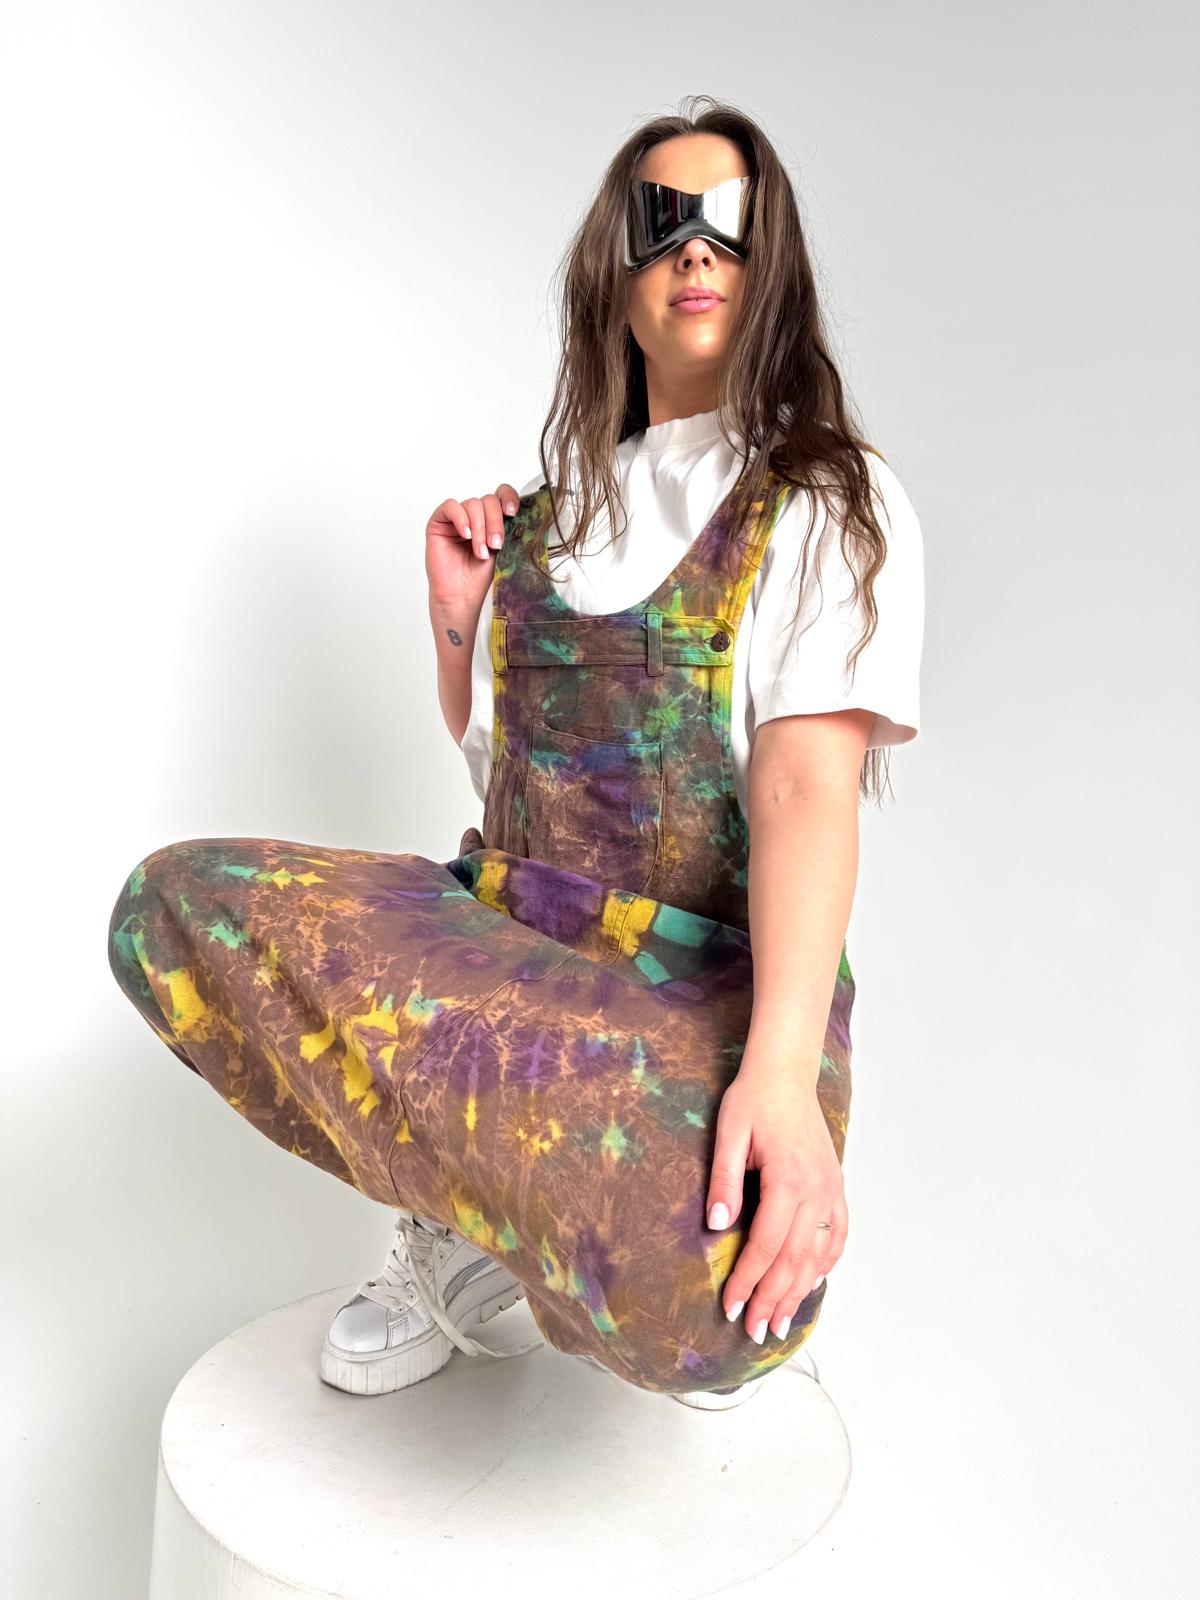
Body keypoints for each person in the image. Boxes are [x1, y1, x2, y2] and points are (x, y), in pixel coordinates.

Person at [107, 97, 924, 1413]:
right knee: (170, 906)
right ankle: (477, 1221)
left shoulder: (824, 496)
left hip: (698, 1001)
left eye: (731, 223)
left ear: (773, 264)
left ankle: (533, 1207)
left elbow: (805, 790)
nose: (698, 249)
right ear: (618, 270)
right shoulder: (549, 522)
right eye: (664, 223)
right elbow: (505, 773)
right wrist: (457, 623)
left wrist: (778, 1076)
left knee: (707, 1306)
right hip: (510, 946)